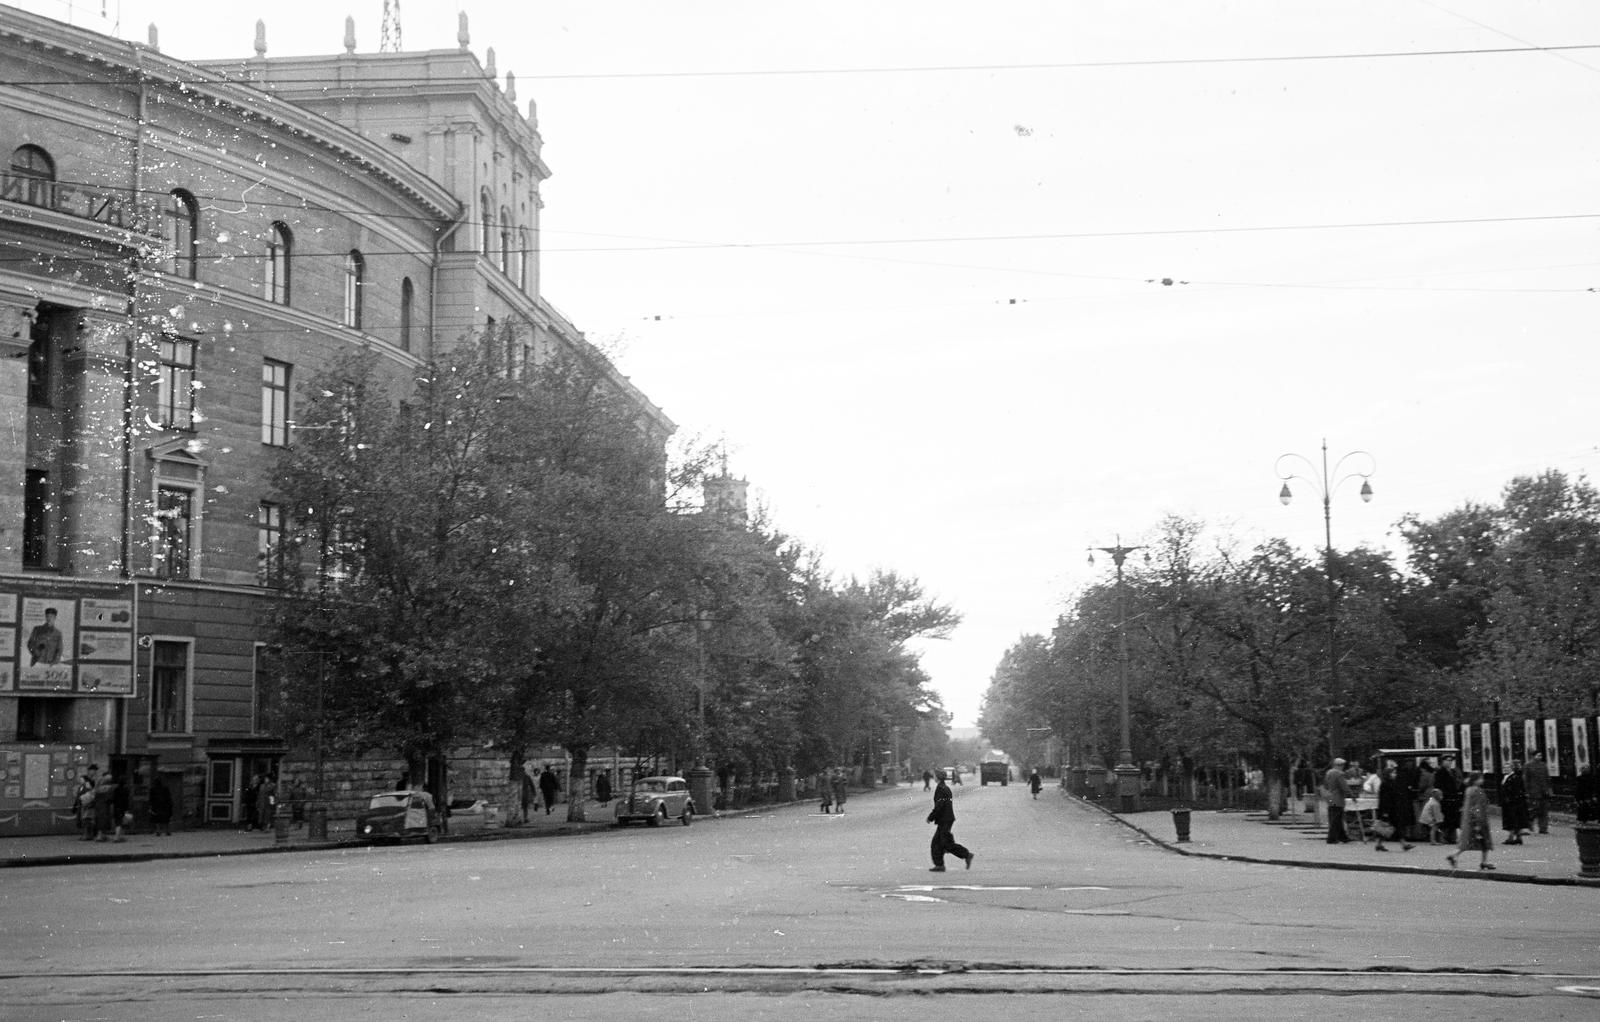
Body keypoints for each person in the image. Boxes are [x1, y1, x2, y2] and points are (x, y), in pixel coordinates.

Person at [926, 769, 974, 872]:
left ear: (937, 777)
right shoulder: (945, 787)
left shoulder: (941, 788)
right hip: (946, 819)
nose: (933, 777)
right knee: (939, 842)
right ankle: (940, 864)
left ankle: (966, 854)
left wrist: (931, 817)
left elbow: (940, 805)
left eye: (934, 775)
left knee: (943, 843)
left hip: (945, 819)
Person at [1448, 771, 1495, 871]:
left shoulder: (1468, 789)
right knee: (1484, 841)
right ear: (1475, 780)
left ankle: (1454, 855)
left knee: (1467, 841)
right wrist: (1478, 822)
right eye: (1480, 778)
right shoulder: (1477, 790)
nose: (1482, 780)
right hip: (1479, 820)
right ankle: (1484, 862)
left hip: (1469, 819)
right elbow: (1477, 806)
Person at [1373, 762, 1414, 852]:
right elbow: (1385, 799)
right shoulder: (1386, 784)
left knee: (1390, 827)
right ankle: (1404, 844)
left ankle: (1379, 844)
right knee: (1392, 827)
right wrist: (1385, 812)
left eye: (1395, 773)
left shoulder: (1391, 783)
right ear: (1388, 774)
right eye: (1393, 773)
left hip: (1393, 809)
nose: (1395, 774)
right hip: (1389, 810)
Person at [1498, 761, 1528, 845]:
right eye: (1504, 768)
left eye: (1508, 768)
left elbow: (1516, 790)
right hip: (1509, 802)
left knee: (1512, 820)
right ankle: (1518, 837)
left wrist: (1510, 799)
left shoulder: (1514, 777)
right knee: (1514, 820)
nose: (1506, 769)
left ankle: (1511, 837)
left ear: (1512, 768)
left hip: (1513, 803)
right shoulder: (1507, 777)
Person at [1323, 758, 1351, 844]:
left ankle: (1343, 837)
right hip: (1338, 798)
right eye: (1342, 765)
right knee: (1336, 818)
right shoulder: (1339, 774)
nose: (1343, 767)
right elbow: (1344, 786)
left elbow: (1325, 784)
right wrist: (1351, 794)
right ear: (1340, 765)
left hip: (1330, 796)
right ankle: (1331, 838)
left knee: (1334, 817)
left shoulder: (1328, 772)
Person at [1435, 756, 1462, 843]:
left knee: (1453, 819)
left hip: (1453, 798)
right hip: (1445, 799)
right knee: (1446, 818)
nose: (1450, 762)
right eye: (1448, 760)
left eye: (1451, 761)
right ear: (1443, 761)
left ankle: (1451, 837)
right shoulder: (1440, 772)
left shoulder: (1452, 771)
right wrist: (1443, 795)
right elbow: (1438, 785)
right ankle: (1443, 837)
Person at [1523, 753, 1551, 835]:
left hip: (1543, 791)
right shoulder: (1528, 765)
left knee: (1544, 811)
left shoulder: (1543, 765)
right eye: (1538, 755)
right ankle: (1529, 827)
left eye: (1541, 756)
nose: (1540, 757)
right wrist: (1527, 791)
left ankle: (1543, 828)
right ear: (1533, 756)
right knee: (1533, 810)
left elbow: (1547, 778)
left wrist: (1548, 789)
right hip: (1533, 792)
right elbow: (1526, 780)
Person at [76, 764, 100, 841]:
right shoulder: (92, 779)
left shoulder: (94, 780)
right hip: (88, 801)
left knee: (87, 819)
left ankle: (88, 835)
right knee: (87, 819)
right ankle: (90, 834)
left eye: (91, 770)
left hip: (89, 801)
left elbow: (92, 790)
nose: (90, 772)